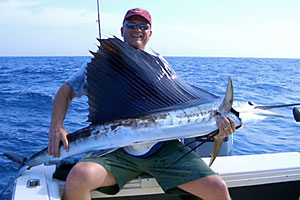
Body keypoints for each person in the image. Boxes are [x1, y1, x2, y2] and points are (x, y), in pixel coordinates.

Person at [48, 8, 236, 200]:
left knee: (217, 188)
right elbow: (66, 91)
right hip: (117, 150)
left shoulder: (161, 66)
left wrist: (215, 128)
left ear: (150, 33)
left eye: (143, 26)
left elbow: (184, 113)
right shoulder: (107, 63)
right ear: (122, 30)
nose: (137, 29)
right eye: (131, 25)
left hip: (164, 150)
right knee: (79, 176)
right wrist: (57, 126)